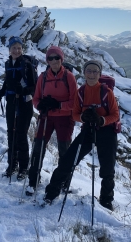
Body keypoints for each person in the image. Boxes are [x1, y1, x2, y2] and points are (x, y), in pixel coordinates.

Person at [43, 60, 119, 211]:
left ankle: (106, 201)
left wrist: (101, 120)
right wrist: (84, 118)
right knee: (68, 160)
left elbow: (115, 115)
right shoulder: (81, 92)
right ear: (84, 73)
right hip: (89, 130)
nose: (91, 74)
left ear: (99, 74)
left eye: (94, 71)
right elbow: (75, 114)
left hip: (106, 131)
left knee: (107, 169)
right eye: (89, 71)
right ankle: (51, 192)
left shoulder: (106, 92)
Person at [25, 46, 78, 196]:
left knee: (64, 151)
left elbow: (74, 102)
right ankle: (33, 181)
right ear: (47, 60)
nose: (54, 61)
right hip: (46, 117)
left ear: (62, 59)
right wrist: (40, 105)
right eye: (50, 58)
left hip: (65, 119)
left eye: (57, 58)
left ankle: (63, 182)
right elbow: (36, 99)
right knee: (38, 148)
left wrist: (58, 105)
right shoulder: (43, 77)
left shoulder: (69, 77)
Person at [0, 36, 35, 180]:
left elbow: (33, 86)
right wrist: (1, 92)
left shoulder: (27, 64)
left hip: (24, 103)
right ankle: (12, 164)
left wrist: (24, 91)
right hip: (11, 102)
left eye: (19, 48)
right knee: (11, 134)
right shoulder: (8, 64)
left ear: (22, 49)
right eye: (14, 48)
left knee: (21, 135)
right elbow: (8, 81)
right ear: (9, 50)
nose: (16, 50)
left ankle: (24, 167)